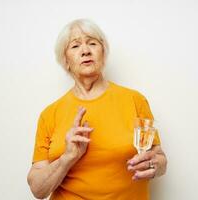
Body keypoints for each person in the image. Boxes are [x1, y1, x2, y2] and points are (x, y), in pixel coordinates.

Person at [27, 19, 167, 200]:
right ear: (66, 60)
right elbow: (38, 190)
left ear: (103, 53)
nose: (85, 50)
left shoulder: (134, 100)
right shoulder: (50, 114)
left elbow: (160, 158)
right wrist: (68, 158)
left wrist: (155, 165)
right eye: (75, 46)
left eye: (92, 43)